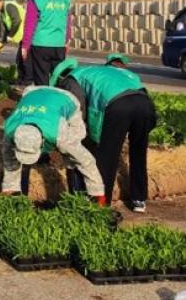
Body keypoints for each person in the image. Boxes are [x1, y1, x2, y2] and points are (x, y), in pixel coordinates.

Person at [51, 55, 158, 212]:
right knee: (138, 152)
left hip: (119, 106)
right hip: (145, 105)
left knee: (107, 156)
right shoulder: (117, 72)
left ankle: (102, 203)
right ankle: (139, 199)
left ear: (61, 77)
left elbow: (78, 110)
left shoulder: (72, 79)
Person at [2, 84, 106, 201]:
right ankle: (22, 196)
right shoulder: (10, 130)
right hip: (33, 93)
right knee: (17, 162)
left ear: (42, 141)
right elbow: (9, 159)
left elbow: (87, 161)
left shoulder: (60, 134)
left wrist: (98, 193)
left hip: (66, 99)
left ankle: (77, 193)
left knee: (73, 152)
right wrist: (9, 189)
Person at [20, 0, 71, 86]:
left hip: (40, 45)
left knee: (41, 78)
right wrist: (67, 41)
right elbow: (68, 22)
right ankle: (58, 101)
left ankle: (43, 101)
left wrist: (25, 46)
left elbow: (30, 24)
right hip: (59, 44)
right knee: (59, 78)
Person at [0, 0, 30, 85]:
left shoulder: (9, 6)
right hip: (23, 38)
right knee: (20, 60)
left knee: (25, 60)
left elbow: (17, 20)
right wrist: (2, 43)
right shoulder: (3, 12)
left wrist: (11, 35)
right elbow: (7, 29)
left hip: (28, 36)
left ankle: (27, 82)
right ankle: (21, 81)